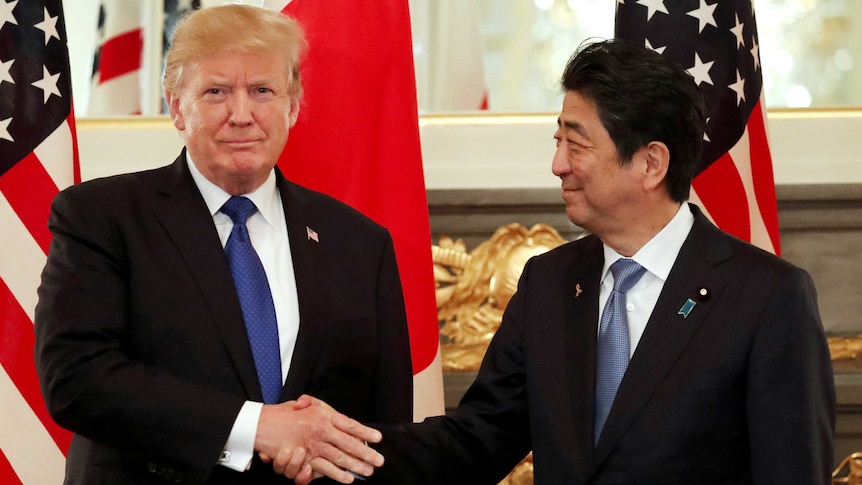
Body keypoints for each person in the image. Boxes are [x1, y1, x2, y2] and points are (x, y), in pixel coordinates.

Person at [339, 39, 833, 484]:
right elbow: (475, 442)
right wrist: (337, 446)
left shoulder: (766, 297)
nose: (558, 165)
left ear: (651, 163)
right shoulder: (549, 283)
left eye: (576, 145)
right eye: (559, 142)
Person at [34, 4, 411, 484]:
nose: (241, 115)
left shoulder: (360, 243)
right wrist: (257, 427)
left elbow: (384, 431)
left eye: (262, 91)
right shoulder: (101, 217)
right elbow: (75, 378)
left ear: (292, 106)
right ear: (176, 107)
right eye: (215, 92)